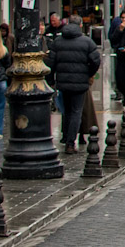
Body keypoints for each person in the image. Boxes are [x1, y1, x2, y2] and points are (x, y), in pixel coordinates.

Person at [46, 15, 100, 153]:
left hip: (63, 82)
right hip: (80, 83)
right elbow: (95, 61)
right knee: (76, 112)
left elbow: (50, 63)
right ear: (80, 25)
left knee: (67, 111)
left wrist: (51, 81)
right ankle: (70, 143)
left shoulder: (58, 42)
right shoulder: (87, 42)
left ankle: (66, 137)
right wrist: (88, 73)